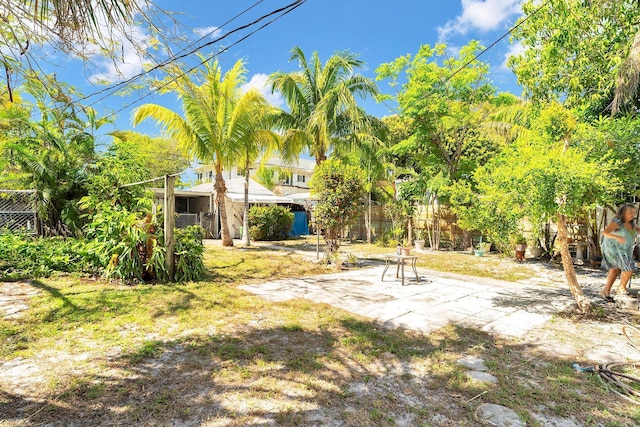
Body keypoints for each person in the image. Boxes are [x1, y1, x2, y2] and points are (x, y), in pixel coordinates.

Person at [600, 204, 640, 301]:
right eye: (630, 212)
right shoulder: (617, 222)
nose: (632, 214)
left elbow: (636, 230)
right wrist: (617, 237)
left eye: (633, 212)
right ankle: (621, 288)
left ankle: (605, 290)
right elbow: (605, 232)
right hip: (612, 249)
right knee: (629, 266)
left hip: (623, 250)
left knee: (615, 269)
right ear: (623, 213)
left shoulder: (631, 224)